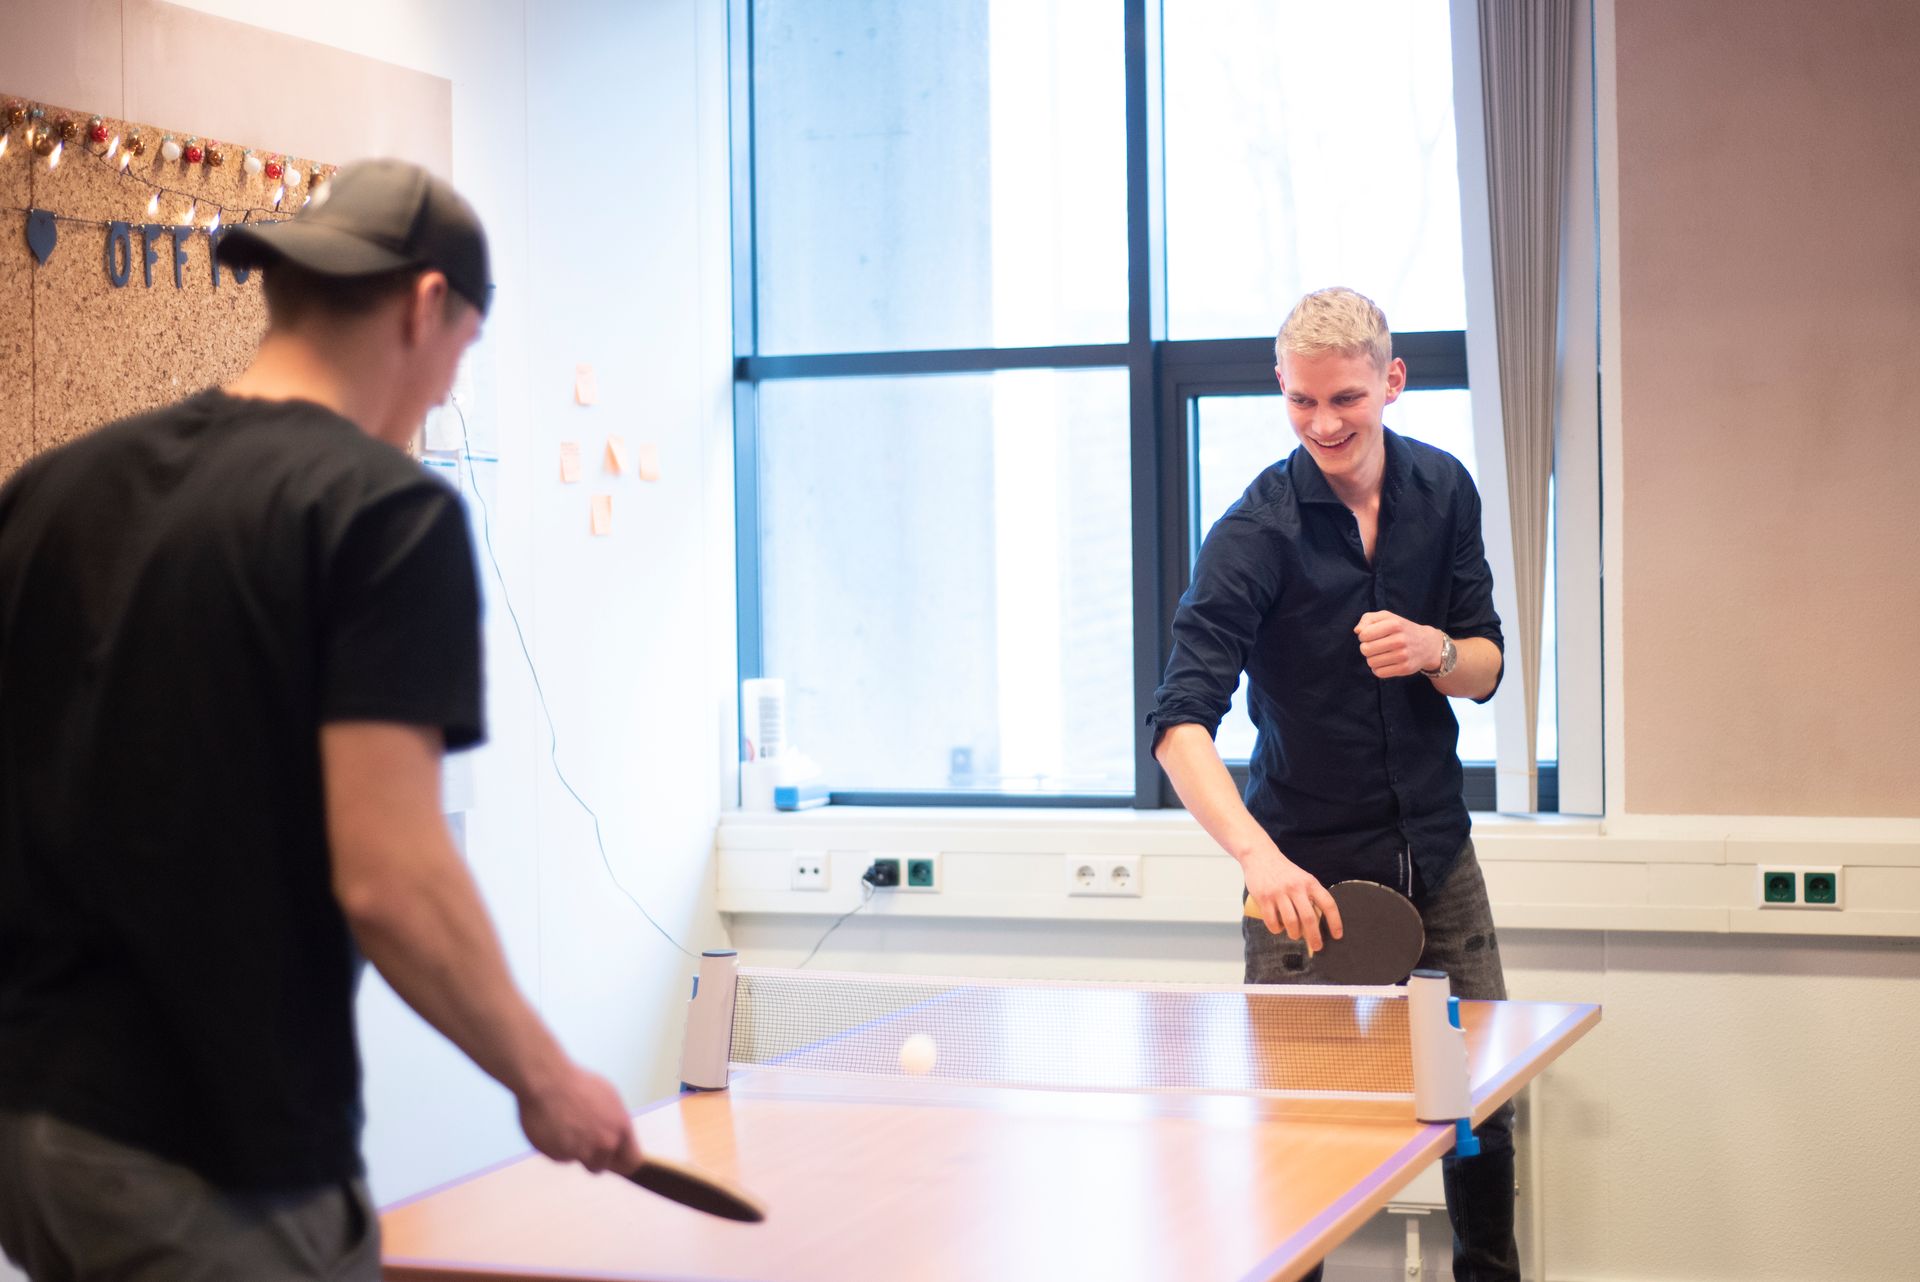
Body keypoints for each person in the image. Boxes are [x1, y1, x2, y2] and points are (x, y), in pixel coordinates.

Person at [0, 159, 639, 1281]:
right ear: (427, 304)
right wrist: (546, 1078)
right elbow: (394, 876)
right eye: (463, 355)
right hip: (203, 1152)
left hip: (29, 1130)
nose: (445, 390)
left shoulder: (50, 491)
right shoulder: (383, 513)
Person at [1149, 286, 1517, 1281]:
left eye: (1346, 397)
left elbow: (1485, 669)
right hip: (1300, 877)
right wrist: (1257, 858)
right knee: (1295, 1135)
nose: (1324, 423)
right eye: (1302, 401)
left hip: (1436, 852)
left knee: (1480, 1102)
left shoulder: (1445, 493)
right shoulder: (1253, 535)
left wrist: (1436, 646)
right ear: (1282, 387)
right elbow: (1178, 724)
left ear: (1393, 381)